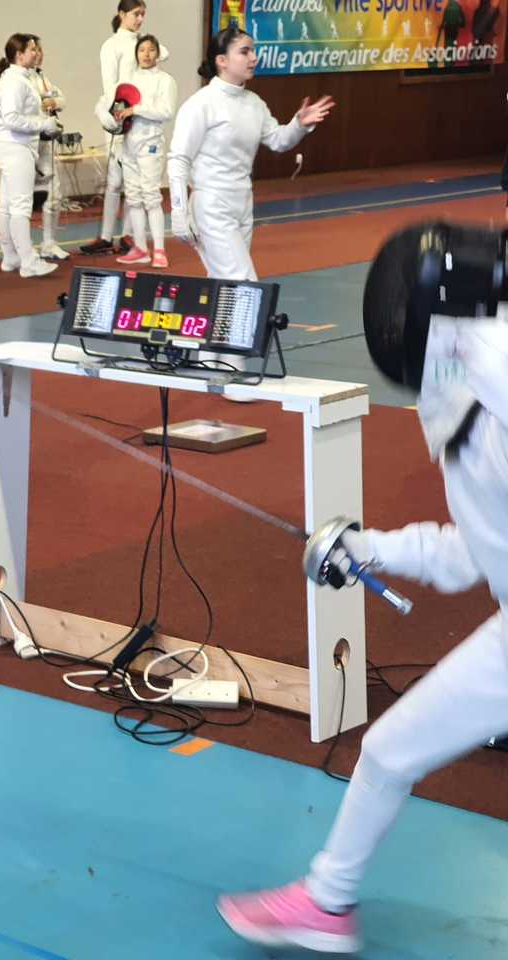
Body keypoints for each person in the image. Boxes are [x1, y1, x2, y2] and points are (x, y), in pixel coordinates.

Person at [217, 225, 508, 953]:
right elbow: (477, 550)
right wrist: (369, 549)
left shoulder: (495, 390)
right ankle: (326, 901)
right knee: (387, 751)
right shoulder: (473, 397)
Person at [167, 27, 333, 283]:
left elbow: (278, 140)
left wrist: (299, 124)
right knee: (243, 283)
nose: (253, 58)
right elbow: (178, 159)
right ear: (222, 60)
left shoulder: (254, 103)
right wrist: (178, 213)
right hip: (211, 205)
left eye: (253, 51)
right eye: (244, 52)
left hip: (243, 203)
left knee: (225, 284)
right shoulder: (200, 104)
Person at [79, 1, 169, 257]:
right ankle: (106, 237)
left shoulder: (142, 43)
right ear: (121, 14)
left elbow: (164, 52)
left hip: (141, 117)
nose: (140, 19)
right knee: (115, 180)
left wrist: (144, 43)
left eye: (143, 14)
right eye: (135, 14)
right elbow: (111, 86)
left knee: (135, 181)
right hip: (120, 116)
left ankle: (129, 234)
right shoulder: (112, 45)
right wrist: (111, 116)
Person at [101, 35, 177, 269]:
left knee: (151, 197)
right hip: (128, 144)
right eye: (142, 50)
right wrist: (112, 117)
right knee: (133, 197)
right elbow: (114, 106)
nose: (146, 54)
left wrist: (137, 109)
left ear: (158, 53)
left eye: (151, 50)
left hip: (150, 144)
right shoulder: (129, 80)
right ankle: (141, 249)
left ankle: (160, 250)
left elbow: (167, 111)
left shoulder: (165, 80)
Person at [0, 34, 62, 279]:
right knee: (20, 206)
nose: (36, 53)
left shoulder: (22, 78)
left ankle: (10, 257)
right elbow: (11, 118)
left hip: (12, 145)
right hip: (16, 147)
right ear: (18, 54)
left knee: (6, 205)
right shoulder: (14, 81)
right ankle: (29, 262)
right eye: (32, 49)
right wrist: (42, 124)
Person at [26, 39, 70, 262]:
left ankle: (49, 244)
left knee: (54, 194)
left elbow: (61, 98)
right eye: (33, 50)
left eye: (40, 49)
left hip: (46, 144)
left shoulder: (43, 78)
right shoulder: (18, 79)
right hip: (27, 146)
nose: (38, 54)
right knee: (23, 199)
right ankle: (22, 248)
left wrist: (54, 102)